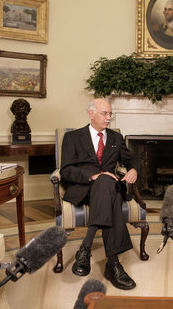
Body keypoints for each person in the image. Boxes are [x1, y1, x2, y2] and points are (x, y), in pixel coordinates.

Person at [60, 98, 140, 290]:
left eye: (110, 114)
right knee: (105, 183)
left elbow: (133, 159)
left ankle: (85, 248)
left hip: (110, 187)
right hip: (84, 189)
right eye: (105, 113)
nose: (109, 118)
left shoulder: (115, 138)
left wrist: (134, 170)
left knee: (106, 182)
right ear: (91, 113)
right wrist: (92, 175)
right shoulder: (73, 138)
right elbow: (66, 170)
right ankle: (113, 264)